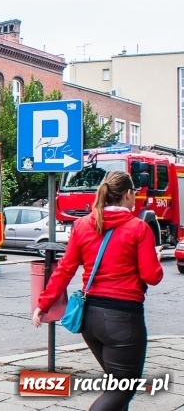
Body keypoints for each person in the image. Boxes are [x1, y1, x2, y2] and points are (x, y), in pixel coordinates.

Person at [32, 171, 163, 410]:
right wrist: (154, 256)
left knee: (115, 387)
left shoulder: (82, 225)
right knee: (123, 389)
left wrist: (43, 304)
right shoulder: (139, 228)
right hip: (122, 321)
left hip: (89, 319)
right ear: (128, 194)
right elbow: (152, 277)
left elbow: (64, 269)